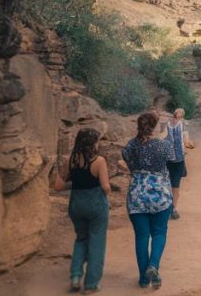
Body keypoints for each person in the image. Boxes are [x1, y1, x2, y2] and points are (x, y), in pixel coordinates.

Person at [54, 128, 110, 294]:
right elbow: (105, 186)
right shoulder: (99, 161)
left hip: (76, 205)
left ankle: (76, 276)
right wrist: (106, 192)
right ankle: (91, 284)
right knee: (97, 242)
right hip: (96, 205)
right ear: (93, 143)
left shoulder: (70, 160)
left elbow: (57, 186)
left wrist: (76, 185)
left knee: (81, 239)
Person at [121, 113, 175, 289]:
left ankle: (144, 279)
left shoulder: (131, 145)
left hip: (137, 195)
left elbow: (128, 162)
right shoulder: (164, 145)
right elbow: (172, 160)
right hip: (160, 194)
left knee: (142, 237)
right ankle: (154, 266)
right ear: (155, 125)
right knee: (159, 233)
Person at [164, 108, 186, 220]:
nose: (179, 114)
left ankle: (171, 208)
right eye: (180, 113)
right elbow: (183, 141)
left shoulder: (168, 123)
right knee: (174, 184)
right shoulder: (181, 124)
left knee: (171, 184)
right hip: (176, 158)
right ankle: (172, 209)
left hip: (171, 158)